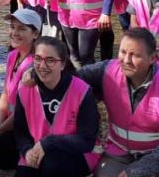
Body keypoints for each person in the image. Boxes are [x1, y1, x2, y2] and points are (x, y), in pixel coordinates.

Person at [76, 28, 159, 177]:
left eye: (135, 55)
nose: (126, 60)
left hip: (156, 154)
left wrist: (136, 171)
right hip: (118, 151)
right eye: (123, 52)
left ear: (152, 58)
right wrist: (38, 71)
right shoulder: (106, 70)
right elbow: (71, 79)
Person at [14, 36, 99, 177]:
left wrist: (49, 142)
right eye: (38, 58)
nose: (42, 65)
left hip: (76, 152)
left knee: (51, 165)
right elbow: (20, 131)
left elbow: (87, 141)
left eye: (50, 60)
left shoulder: (82, 91)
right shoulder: (25, 88)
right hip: (38, 149)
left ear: (63, 64)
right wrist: (27, 150)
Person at [0, 8, 42, 170]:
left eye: (22, 29)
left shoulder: (34, 66)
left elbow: (23, 112)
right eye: (13, 27)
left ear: (35, 34)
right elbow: (6, 93)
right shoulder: (12, 55)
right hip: (12, 117)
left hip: (26, 124)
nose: (15, 32)